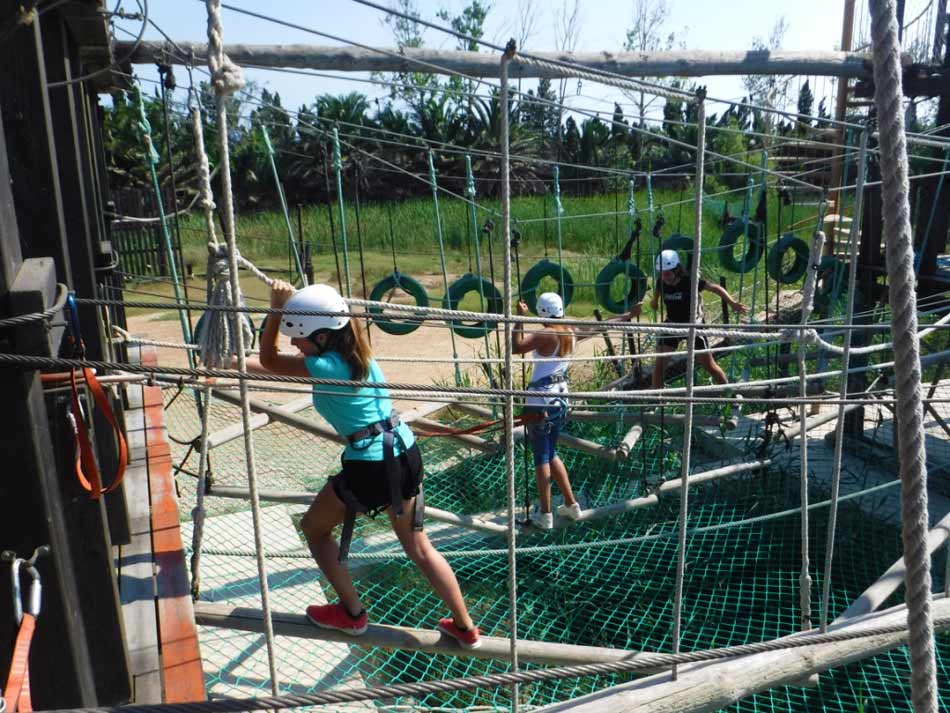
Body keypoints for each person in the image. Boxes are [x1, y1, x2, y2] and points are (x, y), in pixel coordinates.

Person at [248, 280, 481, 649]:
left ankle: (352, 614)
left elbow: (270, 361)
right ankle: (466, 627)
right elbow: (278, 365)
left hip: (371, 466)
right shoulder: (360, 356)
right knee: (420, 549)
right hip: (405, 453)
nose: (295, 343)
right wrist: (230, 363)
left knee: (314, 528)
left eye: (300, 336)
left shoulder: (326, 365)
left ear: (323, 337)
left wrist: (276, 309)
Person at [513, 292, 628, 529]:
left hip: (541, 400)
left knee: (541, 457)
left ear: (542, 311)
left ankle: (545, 513)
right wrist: (627, 315)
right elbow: (598, 328)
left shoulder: (547, 333)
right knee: (552, 453)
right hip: (560, 398)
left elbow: (516, 347)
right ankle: (571, 504)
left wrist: (518, 318)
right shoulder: (569, 331)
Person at [630, 249, 747, 389]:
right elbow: (655, 301)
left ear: (676, 270)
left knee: (708, 364)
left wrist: (732, 303)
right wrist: (652, 304)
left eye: (667, 273)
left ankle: (728, 391)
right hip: (673, 324)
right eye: (661, 273)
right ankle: (658, 400)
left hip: (694, 325)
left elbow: (715, 288)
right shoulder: (661, 282)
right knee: (659, 366)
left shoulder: (690, 281)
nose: (664, 277)